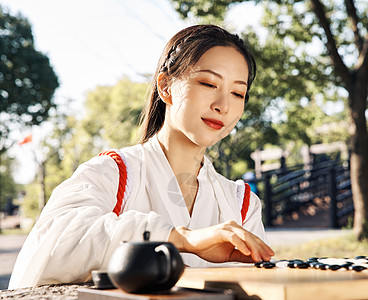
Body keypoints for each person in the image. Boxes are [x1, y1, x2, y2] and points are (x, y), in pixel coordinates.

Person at [9, 24, 274, 289]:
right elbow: (55, 242)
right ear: (166, 86)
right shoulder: (113, 173)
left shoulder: (242, 204)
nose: (223, 105)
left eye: (237, 93)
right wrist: (181, 239)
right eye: (208, 83)